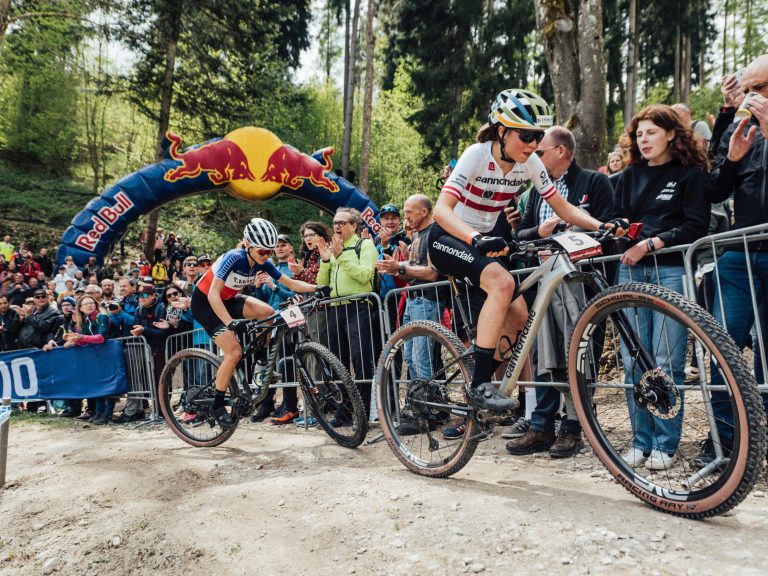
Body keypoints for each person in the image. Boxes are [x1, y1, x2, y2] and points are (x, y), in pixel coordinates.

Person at [427, 88, 614, 418]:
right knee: (502, 284)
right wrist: (474, 236)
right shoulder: (476, 155)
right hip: (449, 235)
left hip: (481, 241)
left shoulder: (529, 164)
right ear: (501, 131)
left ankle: (476, 374)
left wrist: (603, 225)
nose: (533, 144)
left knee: (518, 316)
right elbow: (441, 210)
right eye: (526, 136)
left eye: (538, 137)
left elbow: (563, 207)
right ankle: (480, 385)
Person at [505, 125, 614, 459]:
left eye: (540, 151)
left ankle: (573, 426)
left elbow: (606, 226)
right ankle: (541, 426)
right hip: (546, 283)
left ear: (561, 151)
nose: (534, 156)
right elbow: (521, 235)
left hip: (581, 283)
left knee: (578, 353)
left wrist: (571, 228)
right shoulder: (538, 190)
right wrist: (540, 231)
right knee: (544, 356)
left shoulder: (595, 182)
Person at [613, 104, 710, 470]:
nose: (644, 139)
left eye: (651, 132)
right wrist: (619, 229)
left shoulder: (691, 174)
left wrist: (652, 243)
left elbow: (696, 225)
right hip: (630, 273)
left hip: (671, 272)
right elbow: (618, 218)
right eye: (639, 134)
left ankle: (665, 445)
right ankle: (640, 442)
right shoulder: (629, 175)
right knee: (632, 361)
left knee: (666, 361)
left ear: (671, 133)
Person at [192, 218, 327, 429]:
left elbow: (291, 283)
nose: (266, 255)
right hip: (206, 303)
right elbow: (213, 293)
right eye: (262, 251)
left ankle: (261, 359)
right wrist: (230, 323)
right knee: (234, 352)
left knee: (267, 312)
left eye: (269, 251)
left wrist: (317, 288)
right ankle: (217, 405)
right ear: (248, 245)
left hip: (228, 300)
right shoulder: (233, 258)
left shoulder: (264, 263)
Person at [702, 54, 768, 466]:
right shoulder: (741, 127)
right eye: (747, 89)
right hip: (739, 255)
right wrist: (732, 160)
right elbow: (713, 191)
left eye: (760, 88)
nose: (752, 97)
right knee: (721, 348)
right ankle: (724, 440)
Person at [316, 207, 380, 423]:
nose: (337, 226)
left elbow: (364, 275)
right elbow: (321, 283)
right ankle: (343, 412)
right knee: (337, 362)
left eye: (342, 223)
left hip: (358, 307)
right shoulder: (334, 248)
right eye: (335, 223)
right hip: (335, 308)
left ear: (354, 226)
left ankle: (364, 413)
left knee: (360, 360)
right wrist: (326, 260)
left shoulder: (365, 245)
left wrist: (341, 256)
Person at [376, 194, 439, 378]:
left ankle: (427, 397)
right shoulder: (417, 234)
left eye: (409, 212)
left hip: (426, 301)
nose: (406, 218)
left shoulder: (434, 233)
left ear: (424, 212)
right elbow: (413, 267)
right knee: (410, 359)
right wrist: (395, 267)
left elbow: (432, 273)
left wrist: (400, 268)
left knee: (421, 359)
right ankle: (417, 396)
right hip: (412, 301)